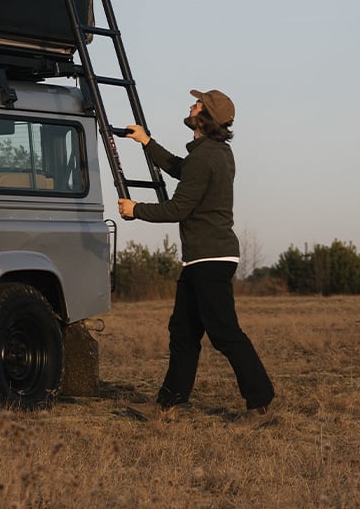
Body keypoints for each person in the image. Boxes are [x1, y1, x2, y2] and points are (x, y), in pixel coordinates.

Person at [118, 89, 275, 426]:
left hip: (209, 258)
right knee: (184, 333)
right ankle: (166, 406)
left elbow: (179, 207)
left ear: (205, 117)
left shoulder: (205, 157)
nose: (191, 105)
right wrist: (147, 142)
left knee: (224, 333)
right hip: (203, 259)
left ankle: (261, 406)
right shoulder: (215, 153)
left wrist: (136, 210)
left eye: (198, 103)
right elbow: (181, 169)